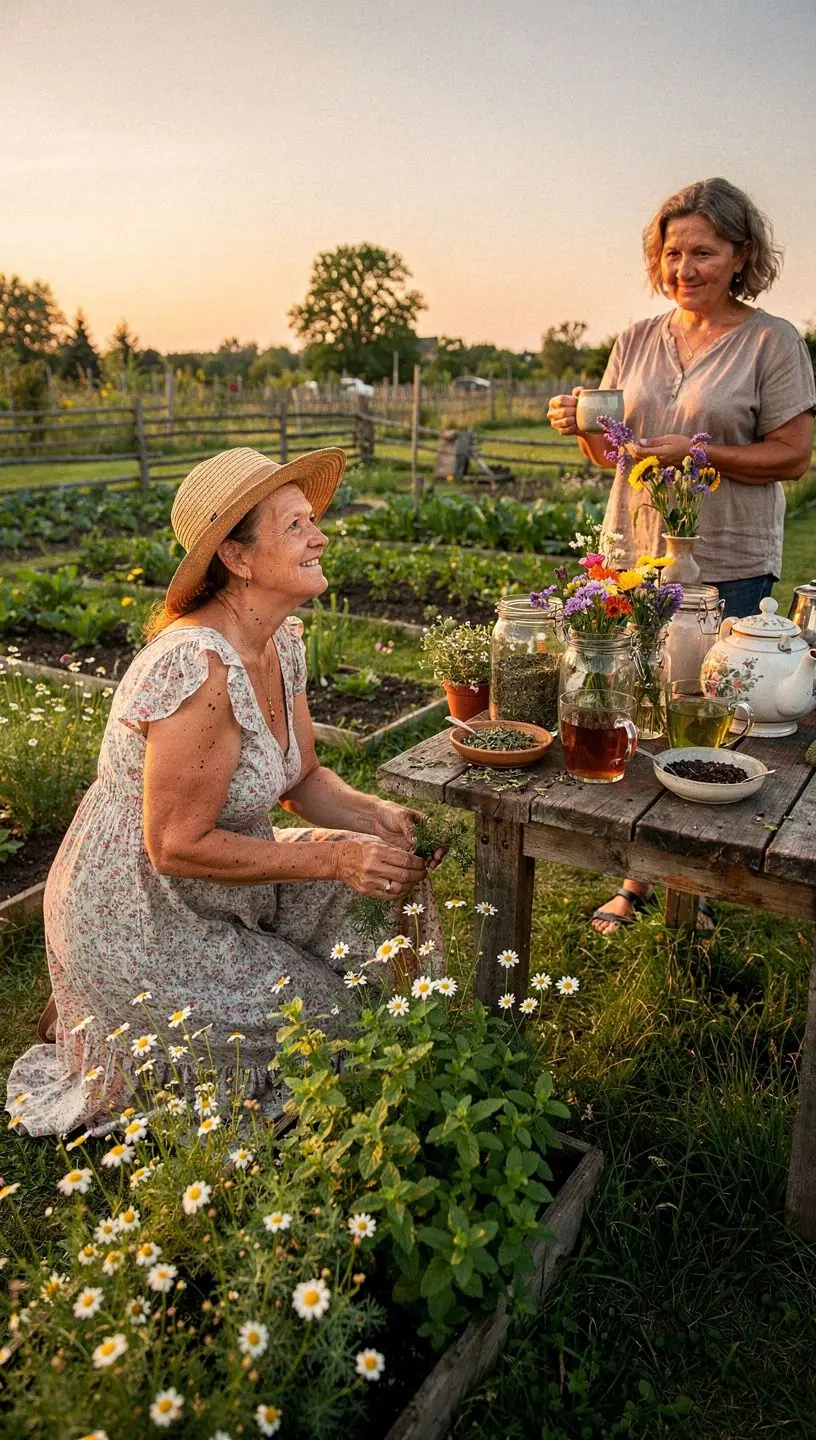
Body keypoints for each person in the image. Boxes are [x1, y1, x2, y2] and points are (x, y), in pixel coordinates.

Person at [6, 446, 444, 1135]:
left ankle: (402, 1044)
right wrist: (334, 858)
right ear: (238, 559)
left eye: (312, 522)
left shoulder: (281, 641)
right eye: (296, 526)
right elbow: (174, 845)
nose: (320, 536)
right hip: (140, 907)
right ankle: (112, 1000)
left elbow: (299, 779)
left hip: (217, 877)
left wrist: (375, 817)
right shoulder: (198, 668)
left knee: (389, 895)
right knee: (327, 1018)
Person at [547, 177, 816, 934]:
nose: (684, 268)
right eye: (672, 252)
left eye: (704, 251)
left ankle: (693, 887)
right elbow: (614, 456)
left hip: (725, 556)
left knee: (708, 716)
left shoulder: (773, 341)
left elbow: (795, 455)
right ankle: (645, 877)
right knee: (638, 708)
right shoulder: (634, 339)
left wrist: (702, 457)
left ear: (742, 256)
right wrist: (579, 426)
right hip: (633, 554)